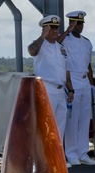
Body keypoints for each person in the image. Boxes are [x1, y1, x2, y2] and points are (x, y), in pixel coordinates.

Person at [28, 14, 74, 163]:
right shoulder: (40, 46)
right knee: (46, 125)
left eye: (56, 28)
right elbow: (31, 51)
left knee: (59, 127)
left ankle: (56, 159)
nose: (55, 31)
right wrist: (42, 36)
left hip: (61, 91)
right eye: (52, 28)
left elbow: (65, 72)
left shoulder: (61, 48)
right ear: (45, 29)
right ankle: (44, 159)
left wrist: (71, 89)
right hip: (46, 88)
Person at [58, 10, 95, 166]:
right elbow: (55, 43)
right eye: (76, 23)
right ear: (71, 24)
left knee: (84, 118)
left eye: (80, 24)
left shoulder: (86, 42)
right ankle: (72, 154)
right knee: (72, 119)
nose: (78, 26)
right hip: (72, 80)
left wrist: (92, 84)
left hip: (84, 81)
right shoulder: (64, 40)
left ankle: (83, 153)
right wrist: (67, 30)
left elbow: (88, 65)